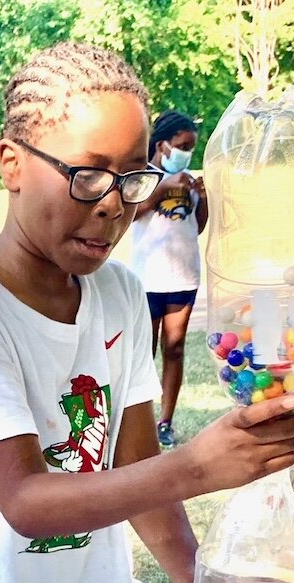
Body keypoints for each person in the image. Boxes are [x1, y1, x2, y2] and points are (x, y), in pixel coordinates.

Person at [0, 42, 294, 583]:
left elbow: (134, 458)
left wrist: (198, 580)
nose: (112, 205)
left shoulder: (118, 294)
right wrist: (197, 466)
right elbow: (23, 501)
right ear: (12, 163)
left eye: (132, 179)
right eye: (87, 175)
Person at [129, 109, 207, 446]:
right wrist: (163, 187)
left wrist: (202, 197)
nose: (187, 153)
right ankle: (138, 420)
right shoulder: (143, 178)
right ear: (162, 145)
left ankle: (165, 420)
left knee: (174, 348)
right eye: (183, 145)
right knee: (143, 353)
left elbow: (197, 226)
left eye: (191, 147)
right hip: (148, 279)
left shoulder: (188, 179)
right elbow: (133, 212)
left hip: (183, 276)